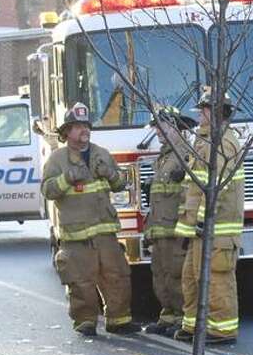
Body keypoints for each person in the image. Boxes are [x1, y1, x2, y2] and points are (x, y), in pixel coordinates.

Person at [41, 103, 139, 337]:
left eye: (86, 126)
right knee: (81, 282)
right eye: (77, 127)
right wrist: (67, 179)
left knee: (116, 276)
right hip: (76, 236)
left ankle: (119, 319)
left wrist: (111, 174)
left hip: (105, 233)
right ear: (66, 133)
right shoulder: (57, 160)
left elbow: (120, 184)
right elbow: (47, 190)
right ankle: (85, 321)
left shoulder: (101, 154)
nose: (84, 130)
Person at [174, 89, 244, 345]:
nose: (199, 115)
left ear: (214, 112)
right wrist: (190, 227)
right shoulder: (205, 141)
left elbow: (215, 189)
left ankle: (223, 330)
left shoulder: (222, 144)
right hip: (200, 230)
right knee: (191, 279)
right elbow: (195, 188)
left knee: (217, 281)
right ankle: (193, 326)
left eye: (203, 110)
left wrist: (203, 221)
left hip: (217, 231)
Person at [143, 112, 193, 336]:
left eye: (161, 126)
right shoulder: (164, 157)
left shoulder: (185, 156)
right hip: (160, 229)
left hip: (175, 229)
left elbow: (189, 194)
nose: (157, 131)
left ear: (176, 127)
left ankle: (183, 318)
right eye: (156, 127)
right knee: (160, 274)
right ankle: (168, 316)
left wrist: (185, 227)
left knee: (176, 275)